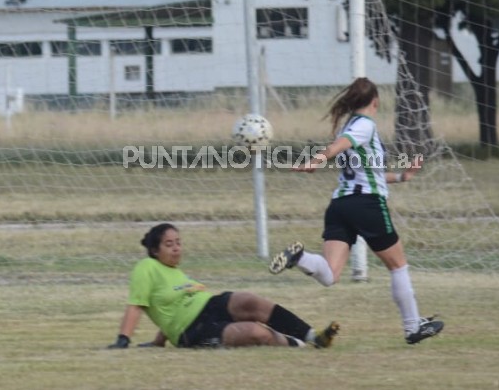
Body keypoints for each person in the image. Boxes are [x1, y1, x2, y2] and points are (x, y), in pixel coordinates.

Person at [268, 77, 444, 345]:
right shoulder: (363, 126)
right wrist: (314, 161)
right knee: (398, 265)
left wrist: (402, 176)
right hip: (367, 205)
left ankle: (301, 257)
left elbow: (369, 174)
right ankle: (412, 327)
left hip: (340, 206)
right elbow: (337, 148)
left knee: (329, 275)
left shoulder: (350, 126)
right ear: (376, 101)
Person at [108, 222, 339, 349]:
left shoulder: (176, 273)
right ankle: (296, 344)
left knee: (248, 300)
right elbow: (136, 306)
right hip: (193, 332)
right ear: (155, 250)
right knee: (254, 332)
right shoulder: (146, 267)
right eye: (169, 244)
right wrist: (123, 339)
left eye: (178, 242)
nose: (177, 248)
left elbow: (170, 307)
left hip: (211, 305)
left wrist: (159, 340)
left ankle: (312, 336)